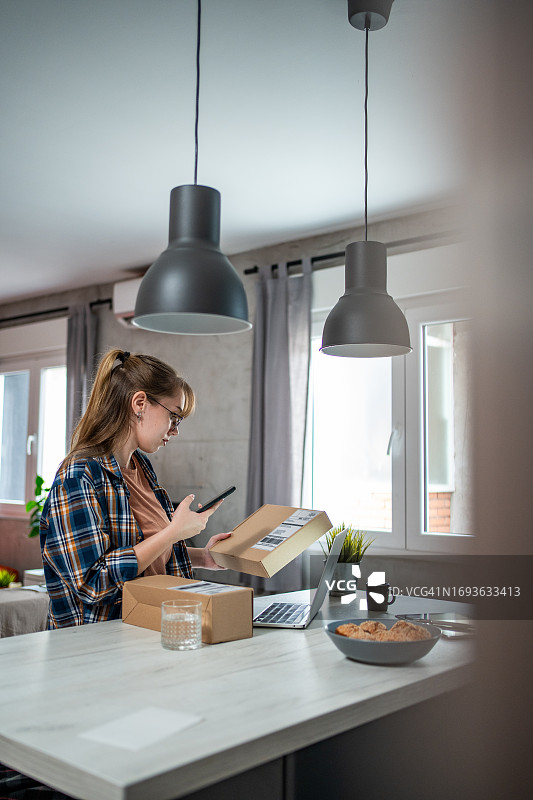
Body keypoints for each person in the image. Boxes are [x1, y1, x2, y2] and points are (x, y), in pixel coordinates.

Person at [40, 348, 230, 628]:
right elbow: (93, 583)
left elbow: (146, 553)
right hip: (95, 644)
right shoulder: (78, 476)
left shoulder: (141, 468)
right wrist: (174, 532)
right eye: (174, 417)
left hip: (145, 631)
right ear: (139, 403)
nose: (175, 430)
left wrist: (204, 557)